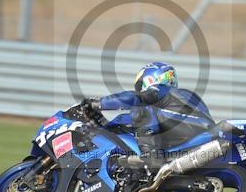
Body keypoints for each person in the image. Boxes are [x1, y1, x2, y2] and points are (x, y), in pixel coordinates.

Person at [82, 62, 215, 169]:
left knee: (140, 111)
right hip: (194, 134)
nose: (139, 90)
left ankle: (151, 156)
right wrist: (103, 125)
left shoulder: (162, 90)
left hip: (194, 130)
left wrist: (96, 104)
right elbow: (126, 120)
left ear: (151, 79)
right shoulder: (178, 98)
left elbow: (133, 98)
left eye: (140, 85)